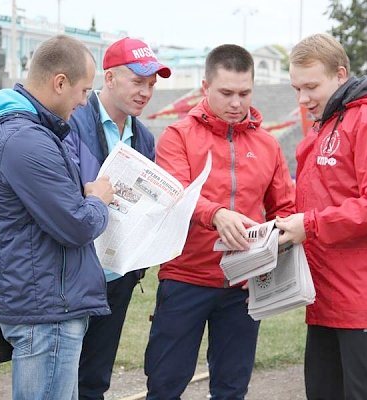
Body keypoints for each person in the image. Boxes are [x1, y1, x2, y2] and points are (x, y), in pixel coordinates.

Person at [0, 35, 115, 400]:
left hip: (43, 301)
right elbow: (76, 225)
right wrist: (99, 201)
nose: (84, 101)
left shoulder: (27, 130)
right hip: (48, 310)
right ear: (60, 82)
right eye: (83, 90)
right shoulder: (27, 138)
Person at [275, 33, 367, 400]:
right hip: (327, 299)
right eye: (297, 88)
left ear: (340, 75)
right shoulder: (327, 124)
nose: (303, 98)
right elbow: (315, 200)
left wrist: (308, 226)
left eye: (311, 86)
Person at [144, 44, 295, 400]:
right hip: (185, 278)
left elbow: (284, 210)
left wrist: (268, 259)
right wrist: (215, 213)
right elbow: (175, 191)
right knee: (165, 385)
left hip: (242, 288)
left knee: (232, 389)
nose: (236, 103)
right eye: (226, 93)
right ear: (205, 87)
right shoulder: (177, 136)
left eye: (244, 93)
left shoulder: (268, 145)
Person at [64, 37, 171, 400]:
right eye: (138, 81)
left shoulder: (143, 137)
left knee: (95, 377)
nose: (146, 92)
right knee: (62, 373)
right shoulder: (73, 119)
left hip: (117, 272)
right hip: (73, 269)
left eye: (152, 84)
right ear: (108, 78)